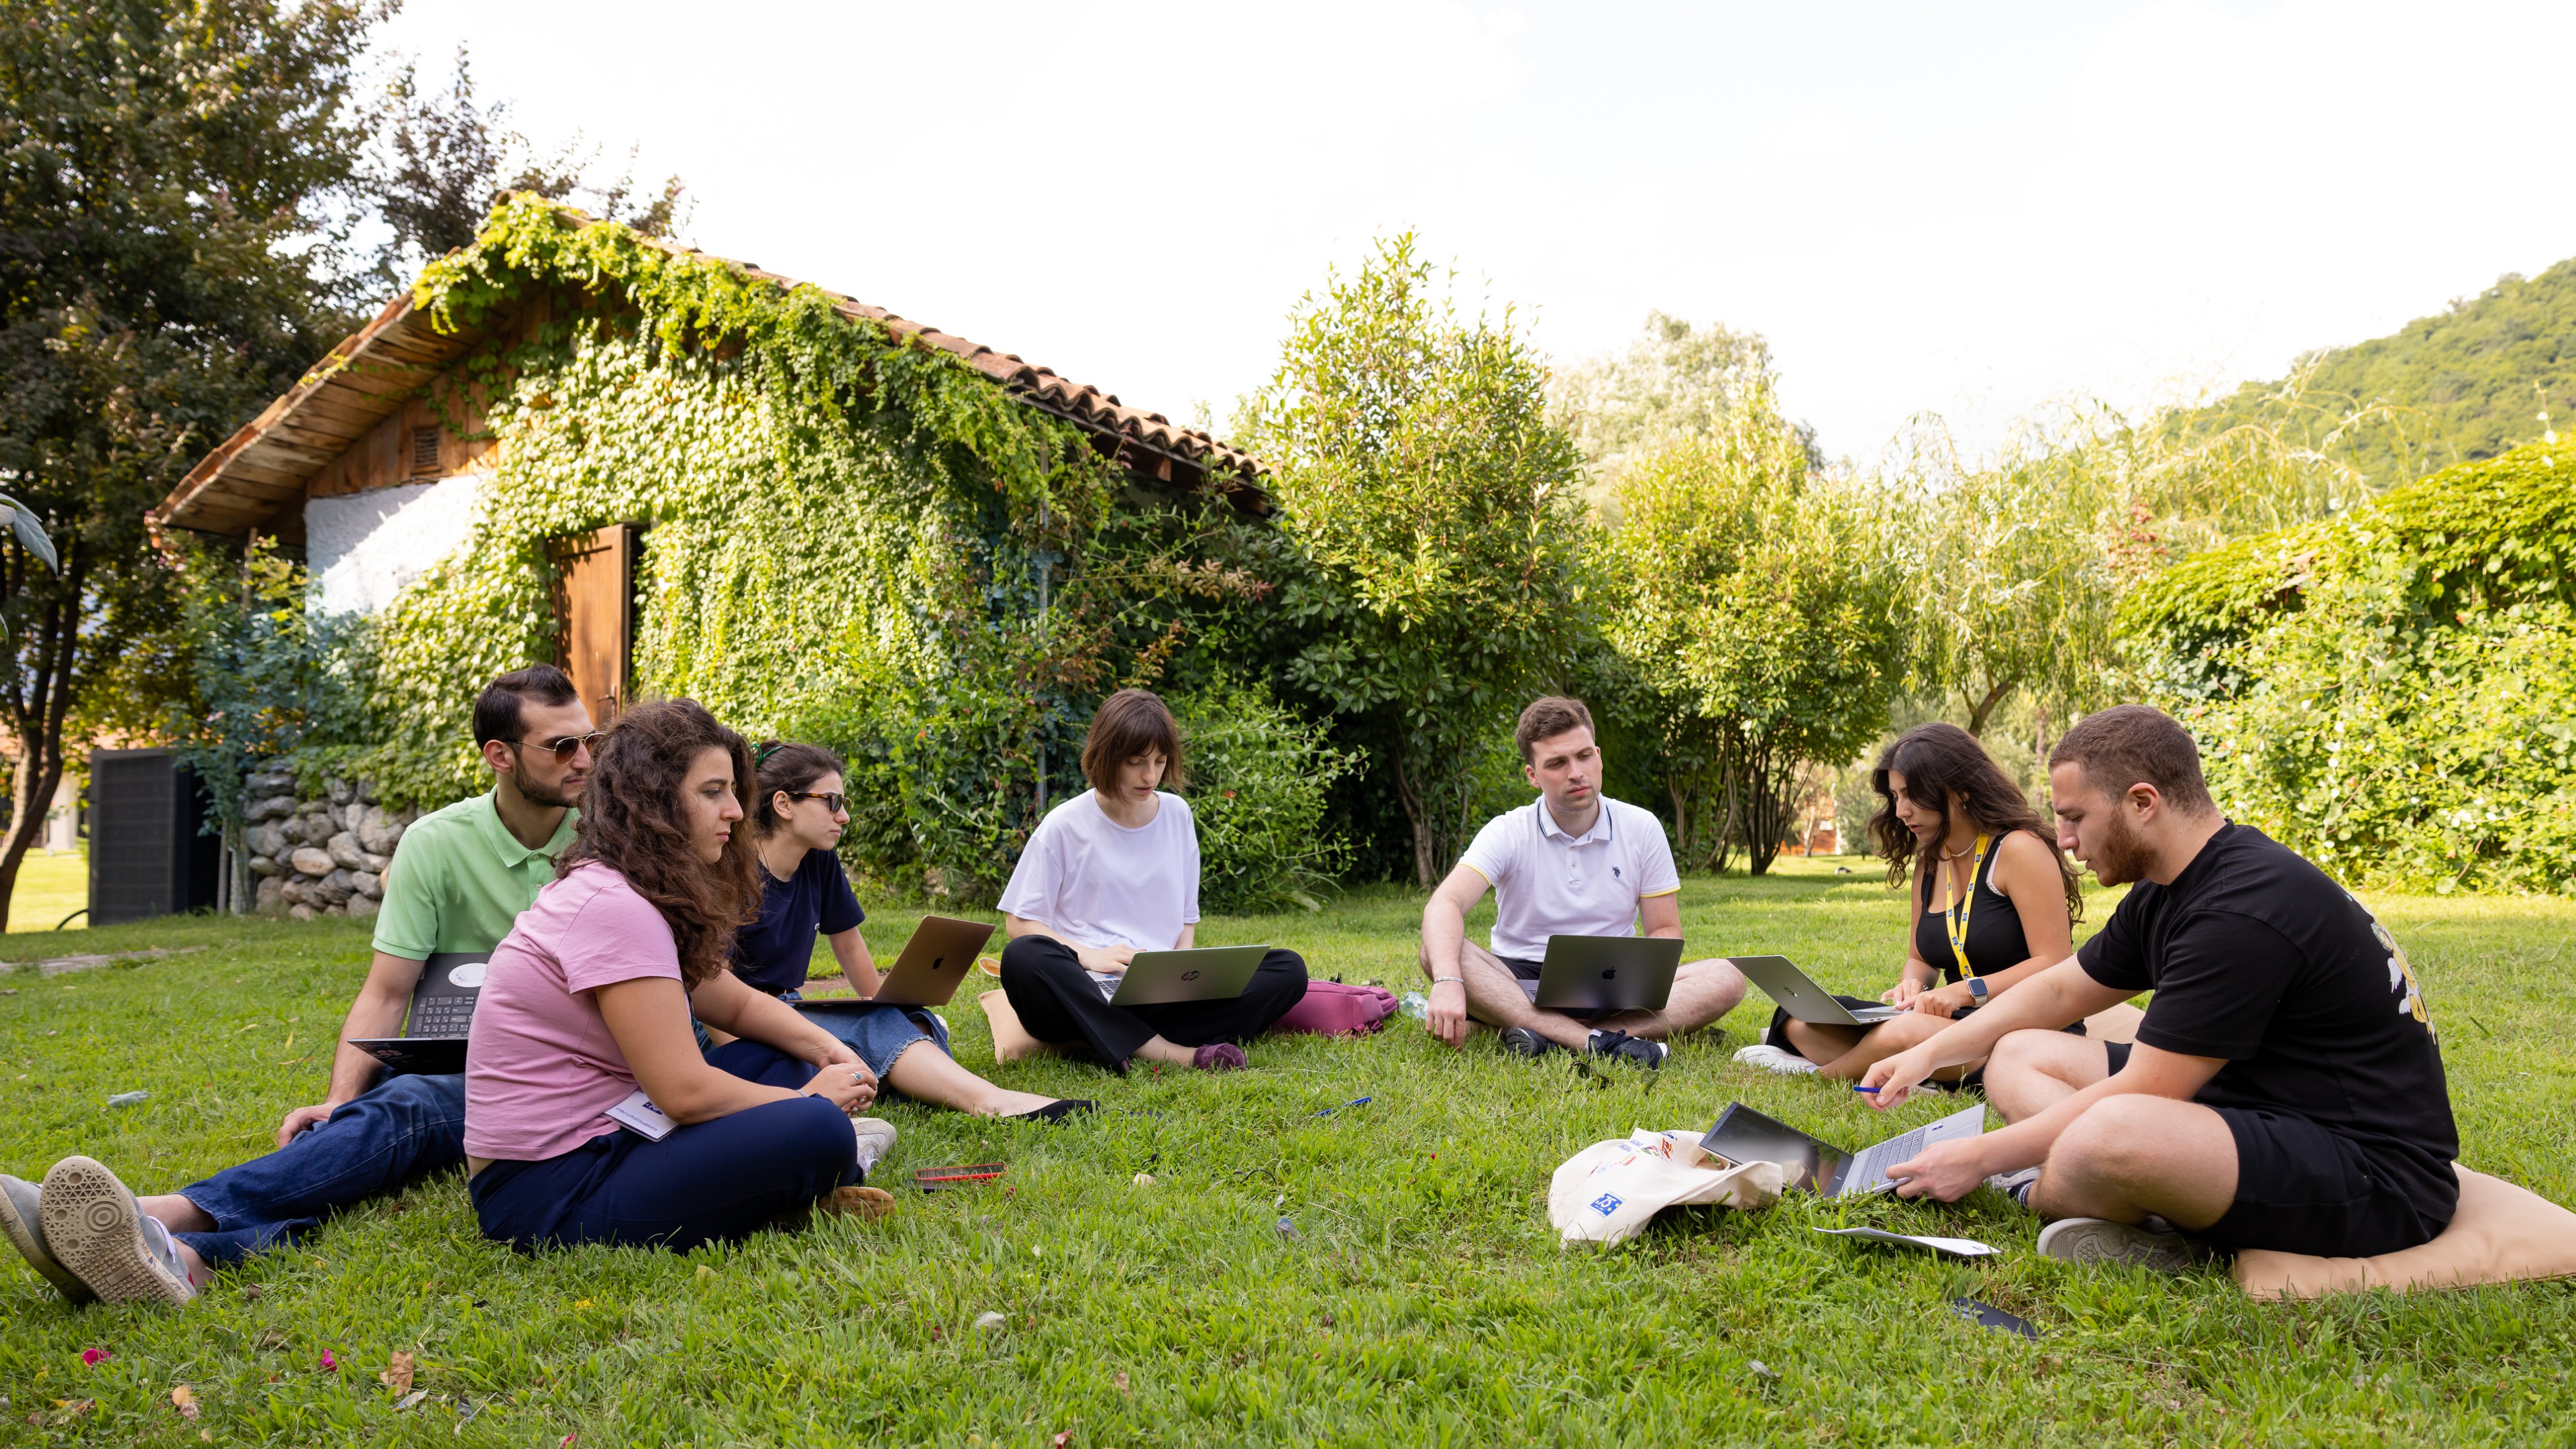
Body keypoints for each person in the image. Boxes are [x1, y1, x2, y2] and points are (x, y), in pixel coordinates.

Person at [3, 665, 597, 1307]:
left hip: (563, 1068)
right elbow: (387, 992)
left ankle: (156, 1217)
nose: (584, 760)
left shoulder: (608, 841)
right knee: (357, 1133)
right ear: (499, 756)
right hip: (458, 1058)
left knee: (410, 1110)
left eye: (590, 740)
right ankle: (187, 1257)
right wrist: (338, 1100)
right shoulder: (437, 843)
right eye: (563, 746)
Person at [1862, 704, 2459, 1270]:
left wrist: (1982, 1158)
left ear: (2142, 802)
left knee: (2110, 1130)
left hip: (2372, 1175)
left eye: (2074, 818)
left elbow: (2145, 1090)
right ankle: (2113, 1187)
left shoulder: (2241, 910)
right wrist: (1929, 1053)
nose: (2064, 841)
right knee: (2018, 1052)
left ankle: (2049, 1189)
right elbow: (2061, 992)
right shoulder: (2173, 885)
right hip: (2256, 1104)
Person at [467, 700, 891, 1252]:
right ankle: (813, 1169)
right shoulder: (613, 906)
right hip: (548, 1192)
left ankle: (793, 1178)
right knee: (819, 1128)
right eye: (713, 791)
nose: (737, 812)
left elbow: (734, 1006)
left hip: (617, 1130)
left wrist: (828, 1049)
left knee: (782, 1054)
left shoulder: (634, 888)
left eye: (734, 792)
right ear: (654, 801)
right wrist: (811, 1102)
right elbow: (683, 1093)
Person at [731, 740, 1087, 1121]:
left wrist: (882, 1006)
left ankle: (885, 1072)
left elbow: (849, 945)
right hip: (736, 1027)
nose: (844, 817)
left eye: (844, 805)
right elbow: (710, 997)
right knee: (879, 1029)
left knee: (911, 1020)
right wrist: (748, 1061)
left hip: (792, 1005)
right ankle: (993, 1102)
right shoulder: (732, 875)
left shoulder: (819, 860)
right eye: (832, 802)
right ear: (784, 804)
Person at [1734, 722, 2080, 1080]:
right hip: (1951, 1022)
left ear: (1960, 789)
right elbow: (1920, 958)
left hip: (2026, 1028)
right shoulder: (1931, 862)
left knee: (1901, 1035)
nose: (1901, 811)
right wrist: (1914, 985)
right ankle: (1888, 1064)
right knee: (1801, 1020)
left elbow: (2053, 962)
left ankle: (1819, 1076)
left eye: (1911, 794)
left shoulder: (2019, 849)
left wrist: (1967, 991)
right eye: (1896, 797)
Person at [1420, 696, 1748, 1069]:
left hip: (1613, 980)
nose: (1576, 772)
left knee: (1728, 977)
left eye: (1584, 756)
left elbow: (1665, 928)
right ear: (1533, 775)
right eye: (1557, 763)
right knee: (1436, 951)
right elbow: (1444, 904)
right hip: (1517, 979)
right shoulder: (1508, 831)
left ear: (1599, 756)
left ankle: (1543, 1033)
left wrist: (1639, 978)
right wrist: (1447, 980)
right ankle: (1597, 1041)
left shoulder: (1642, 826)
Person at [996, 688, 1309, 1072]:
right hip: (1084, 985)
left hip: (1160, 993)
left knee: (1288, 969)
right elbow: (1019, 922)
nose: (1151, 776)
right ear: (1107, 757)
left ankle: (1105, 1037)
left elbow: (1186, 919)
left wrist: (1181, 972)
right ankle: (1172, 1052)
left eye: (1160, 761)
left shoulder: (1177, 815)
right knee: (1023, 957)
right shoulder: (1065, 825)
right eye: (1136, 762)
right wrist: (1087, 955)